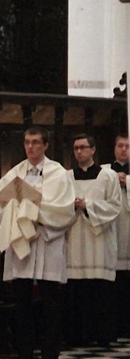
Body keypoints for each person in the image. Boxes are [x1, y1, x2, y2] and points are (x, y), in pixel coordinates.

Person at [0, 127, 75, 359]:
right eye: (27, 142)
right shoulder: (15, 173)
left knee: (51, 303)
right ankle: (24, 357)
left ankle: (50, 358)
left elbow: (64, 209)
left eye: (36, 143)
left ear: (46, 145)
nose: (30, 147)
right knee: (21, 302)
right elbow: (1, 203)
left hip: (46, 241)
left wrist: (34, 210)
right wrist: (21, 212)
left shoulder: (58, 173)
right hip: (22, 241)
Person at [65, 134, 121, 347]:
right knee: (77, 290)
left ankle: (102, 334)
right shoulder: (67, 176)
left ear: (93, 150)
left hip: (99, 240)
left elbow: (115, 206)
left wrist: (87, 206)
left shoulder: (108, 176)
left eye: (83, 148)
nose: (79, 152)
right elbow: (60, 205)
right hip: (76, 239)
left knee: (100, 291)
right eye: (76, 148)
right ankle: (77, 334)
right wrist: (71, 206)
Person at [104, 133, 130, 340]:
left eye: (127, 146)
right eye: (120, 145)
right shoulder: (104, 171)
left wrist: (127, 181)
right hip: (111, 229)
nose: (123, 150)